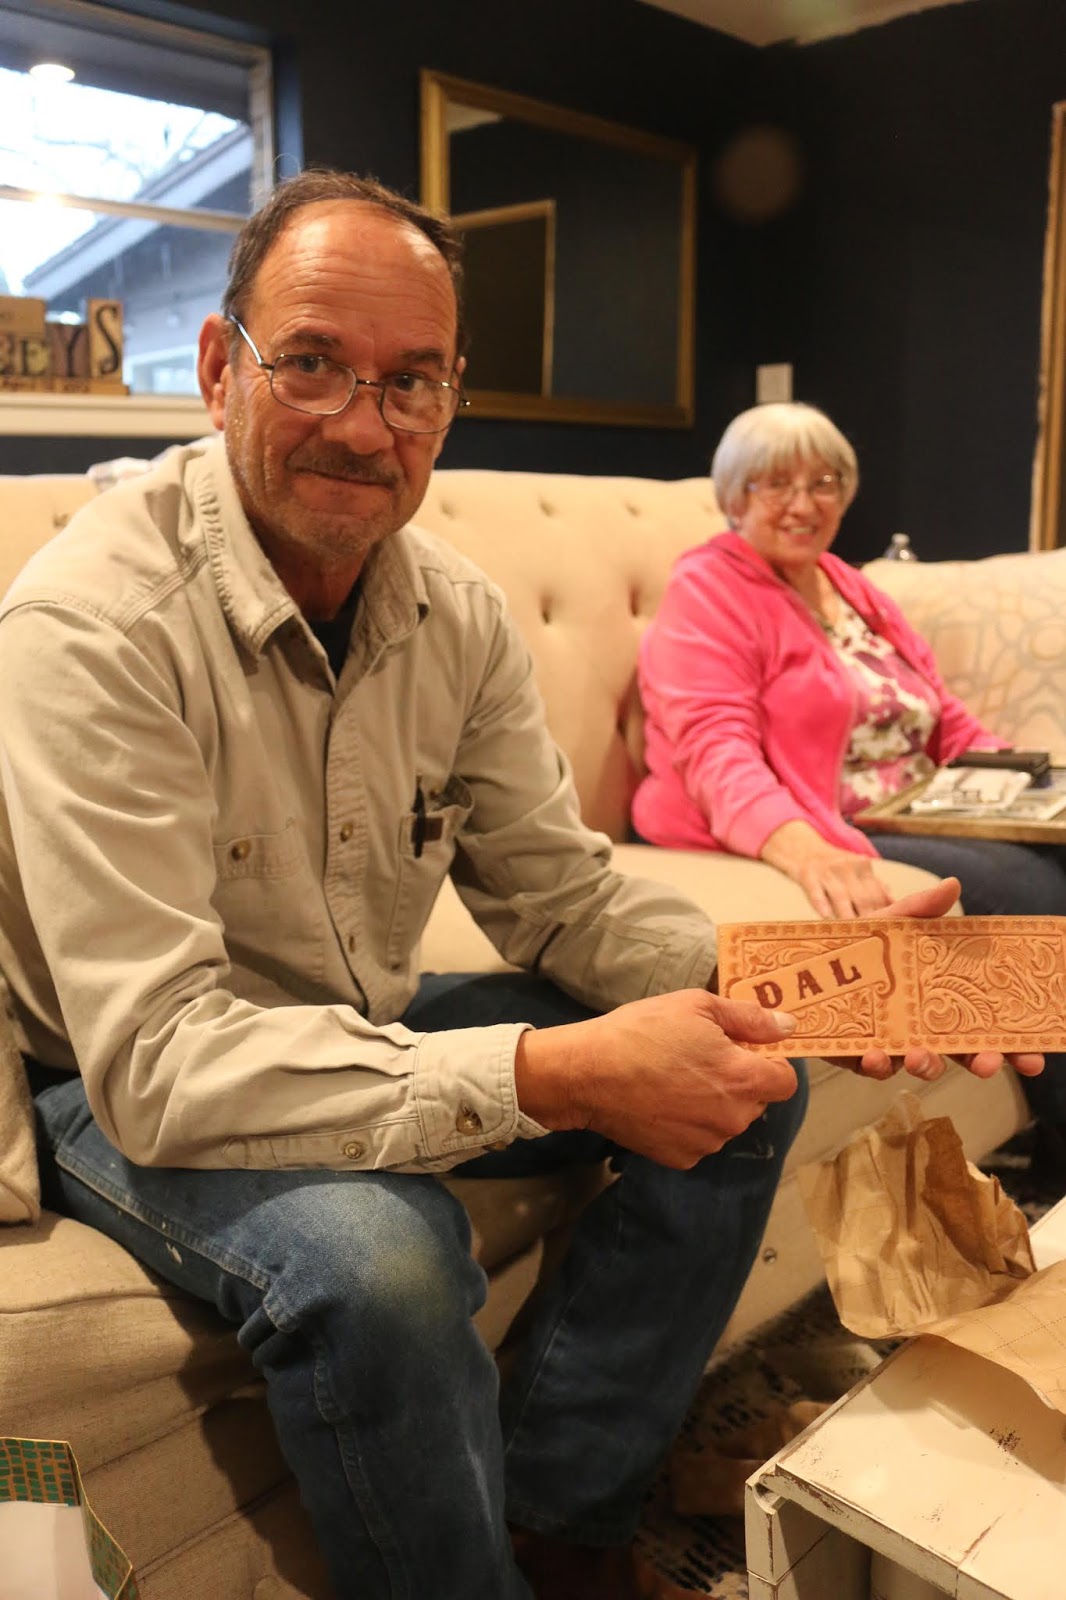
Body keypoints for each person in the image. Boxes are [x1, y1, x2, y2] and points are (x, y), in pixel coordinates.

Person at [0, 178, 1033, 1600]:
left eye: (410, 381)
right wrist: (551, 1073)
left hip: (349, 1015)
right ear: (221, 368)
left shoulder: (454, 611)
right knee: (389, 1258)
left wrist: (806, 985)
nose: (363, 425)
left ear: (449, 398)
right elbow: (163, 1059)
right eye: (312, 364)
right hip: (121, 1074)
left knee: (748, 1077)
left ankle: (564, 1515)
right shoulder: (93, 626)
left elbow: (560, 897)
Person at [633, 399, 1066, 1167]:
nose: (803, 504)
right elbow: (713, 750)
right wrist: (806, 850)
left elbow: (942, 715)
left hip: (922, 807)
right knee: (1031, 890)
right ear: (735, 495)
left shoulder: (849, 585)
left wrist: (1035, 784)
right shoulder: (708, 588)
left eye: (823, 483)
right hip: (824, 816)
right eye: (776, 483)